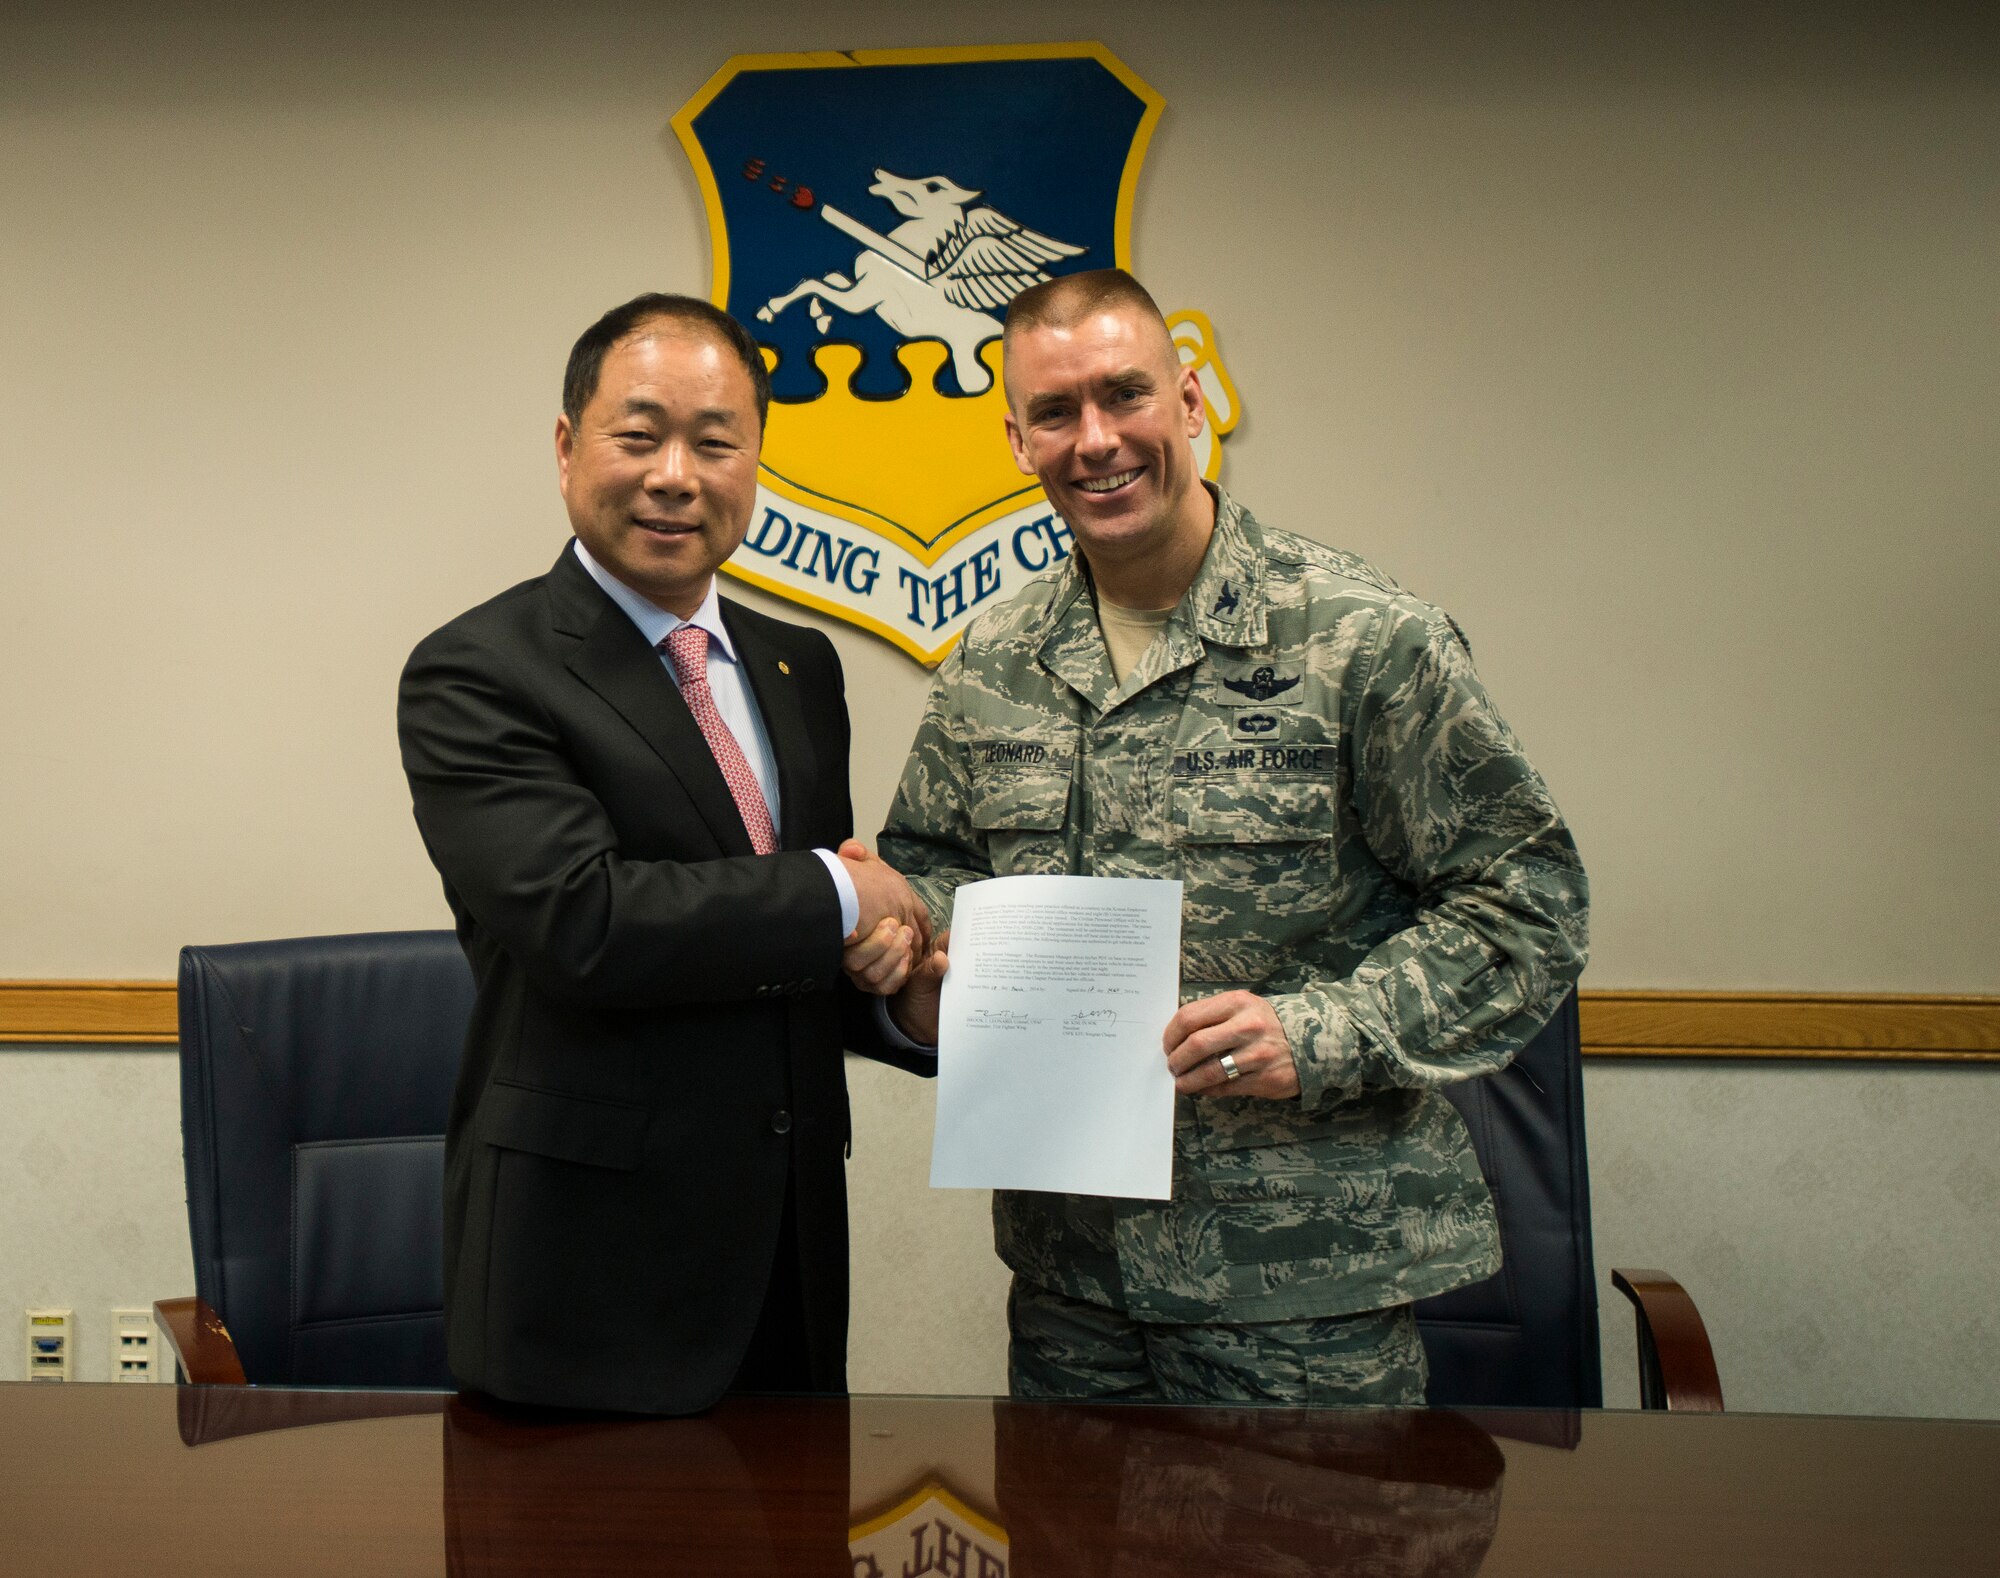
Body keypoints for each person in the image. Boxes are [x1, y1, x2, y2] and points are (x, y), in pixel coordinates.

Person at [877, 268, 1589, 1406]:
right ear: (1016, 440)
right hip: (1073, 1289)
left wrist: (1321, 1031)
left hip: (1302, 1290)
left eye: (1126, 395)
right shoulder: (992, 662)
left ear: (1193, 398)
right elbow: (936, 871)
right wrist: (911, 960)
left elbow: (1526, 903)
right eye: (1056, 413)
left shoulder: (1360, 640)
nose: (1095, 440)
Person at [398, 293, 936, 1415]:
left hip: (787, 1272)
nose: (675, 474)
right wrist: (841, 890)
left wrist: (896, 998)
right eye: (638, 436)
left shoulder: (799, 667)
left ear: (755, 462)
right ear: (565, 447)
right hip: (584, 1288)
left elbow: (790, 952)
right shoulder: (478, 671)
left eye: (714, 441)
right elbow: (583, 925)